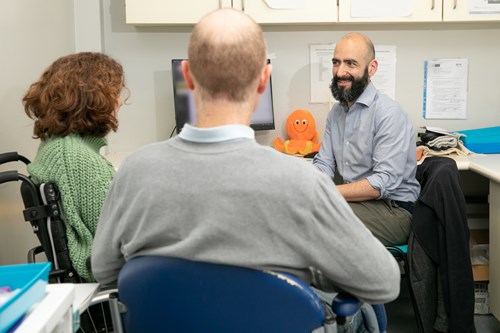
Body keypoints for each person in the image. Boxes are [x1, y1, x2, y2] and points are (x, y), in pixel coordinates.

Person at [91, 8, 400, 323]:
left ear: (187, 76)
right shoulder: (301, 182)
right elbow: (383, 282)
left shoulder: (133, 171)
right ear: (263, 80)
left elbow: (103, 271)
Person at [23, 52, 128, 282]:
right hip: (107, 281)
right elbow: (117, 241)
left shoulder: (57, 146)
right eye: (114, 93)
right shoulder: (77, 160)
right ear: (92, 98)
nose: (119, 101)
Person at [313, 32, 420, 246]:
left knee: (316, 221)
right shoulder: (336, 114)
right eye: (336, 62)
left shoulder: (389, 113)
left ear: (372, 68)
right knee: (300, 210)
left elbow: (382, 183)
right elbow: (324, 163)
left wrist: (326, 192)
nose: (340, 72)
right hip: (357, 202)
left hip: (394, 210)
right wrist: (307, 183)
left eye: (350, 63)